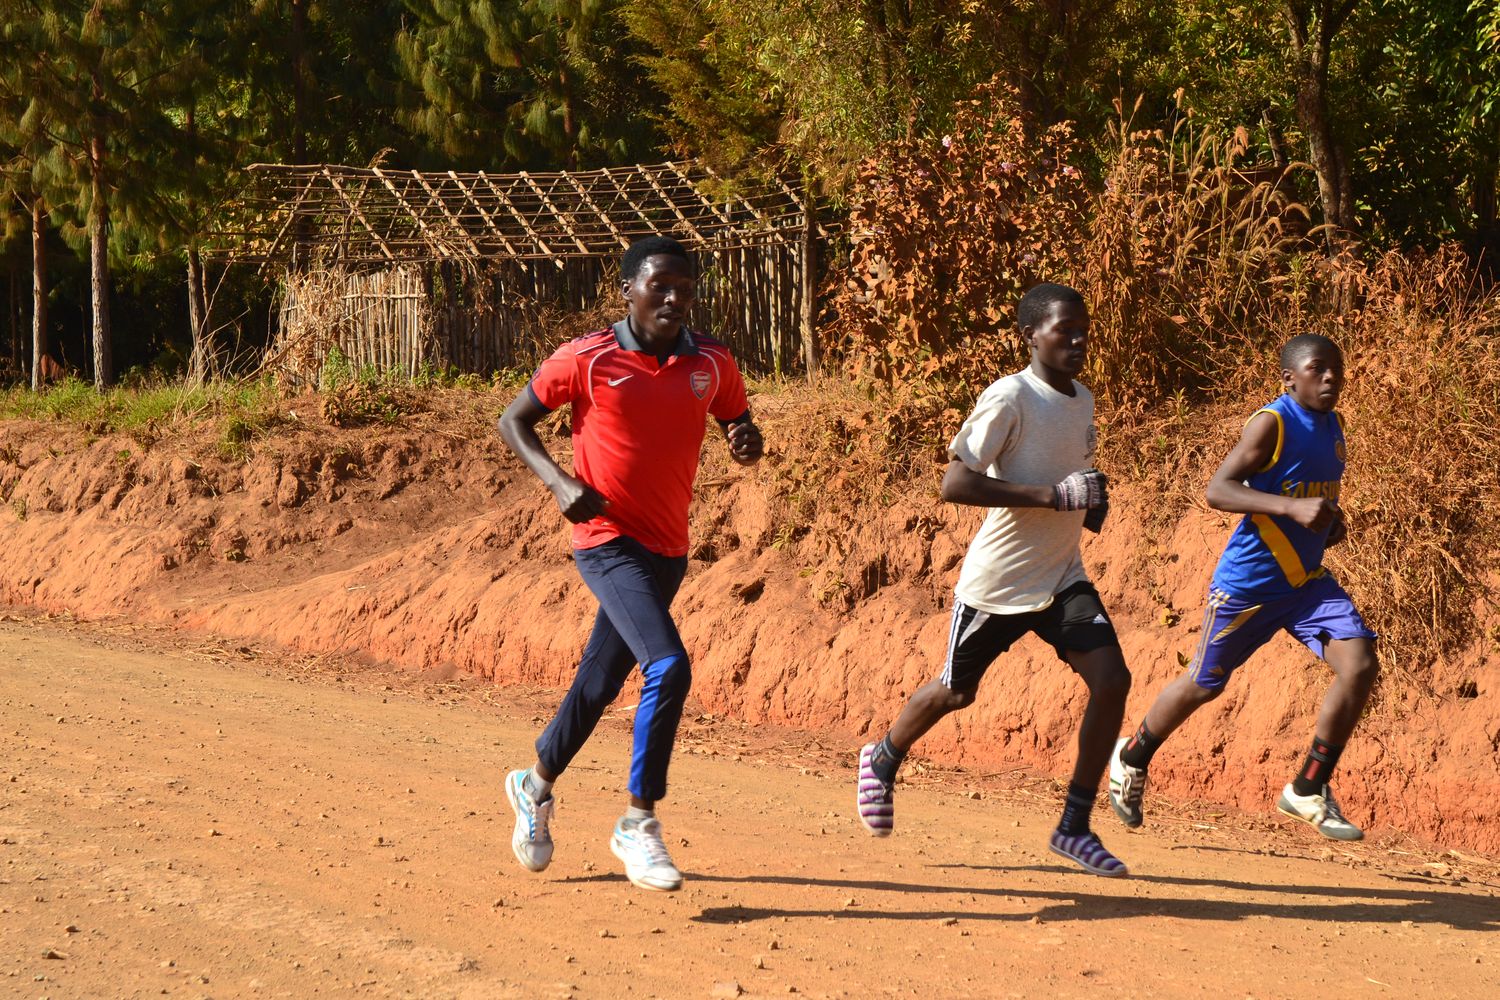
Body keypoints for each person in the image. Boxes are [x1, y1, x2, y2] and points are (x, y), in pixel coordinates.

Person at [497, 235, 764, 892]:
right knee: (667, 665)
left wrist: (744, 439)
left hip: (668, 549)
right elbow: (514, 422)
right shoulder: (587, 359)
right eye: (659, 286)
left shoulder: (711, 363)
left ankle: (534, 787)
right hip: (606, 540)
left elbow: (736, 416)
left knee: (598, 683)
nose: (674, 298)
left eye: (684, 288)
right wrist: (560, 484)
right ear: (628, 291)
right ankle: (637, 823)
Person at [855, 282, 1132, 877]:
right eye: (1065, 329)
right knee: (956, 691)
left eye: (1085, 327)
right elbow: (956, 483)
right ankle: (881, 759)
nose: (1080, 338)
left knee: (1112, 680)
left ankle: (1074, 827)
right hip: (1000, 582)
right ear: (1029, 336)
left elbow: (1068, 476)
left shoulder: (1081, 397)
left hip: (1062, 575)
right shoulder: (1010, 397)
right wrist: (1054, 496)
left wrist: (1089, 499)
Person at [1108, 333, 1378, 842]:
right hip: (1248, 586)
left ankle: (1307, 788)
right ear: (1288, 378)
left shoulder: (1334, 426)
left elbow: (1309, 494)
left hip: (1304, 586)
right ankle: (1130, 758)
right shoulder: (1271, 423)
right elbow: (1218, 489)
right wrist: (1291, 509)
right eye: (1317, 369)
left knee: (1360, 662)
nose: (1329, 378)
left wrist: (1327, 521)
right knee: (1203, 685)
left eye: (1336, 369)